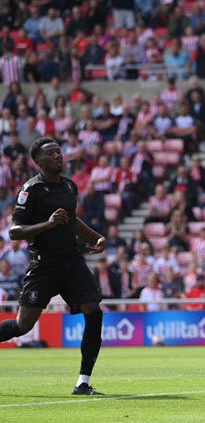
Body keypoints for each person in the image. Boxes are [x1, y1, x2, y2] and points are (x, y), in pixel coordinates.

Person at [0, 137, 106, 395]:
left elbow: (71, 220)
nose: (58, 155)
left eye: (59, 151)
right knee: (23, 325)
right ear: (38, 162)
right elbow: (14, 232)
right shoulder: (30, 190)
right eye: (51, 153)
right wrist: (46, 225)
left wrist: (96, 237)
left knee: (93, 310)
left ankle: (83, 382)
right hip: (44, 265)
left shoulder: (70, 187)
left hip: (71, 261)